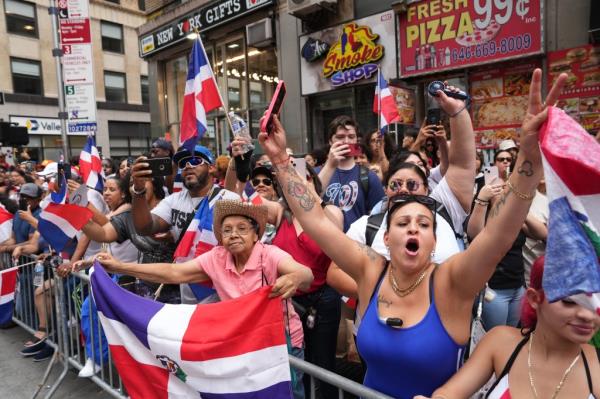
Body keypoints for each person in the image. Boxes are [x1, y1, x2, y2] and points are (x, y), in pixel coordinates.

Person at [258, 68, 567, 398]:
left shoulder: (453, 282)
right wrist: (279, 158)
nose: (413, 228)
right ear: (387, 238)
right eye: (403, 223)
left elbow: (498, 236)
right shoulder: (371, 270)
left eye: (423, 224)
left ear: (434, 241)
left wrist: (528, 161)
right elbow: (316, 221)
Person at [76, 200, 314, 399]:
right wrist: (119, 266)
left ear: (255, 234)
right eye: (227, 230)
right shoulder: (217, 257)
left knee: (287, 394)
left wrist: (294, 277)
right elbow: (173, 273)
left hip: (281, 343)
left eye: (242, 228)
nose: (234, 235)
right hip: (241, 344)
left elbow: (306, 274)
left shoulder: (269, 255)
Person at [417, 256, 600, 399]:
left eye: (596, 303)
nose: (587, 314)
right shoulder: (501, 343)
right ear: (535, 299)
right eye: (570, 301)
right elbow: (451, 393)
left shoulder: (596, 367)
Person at [130, 145, 239, 303]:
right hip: (188, 290)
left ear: (212, 168)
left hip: (224, 291)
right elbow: (145, 227)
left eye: (195, 161)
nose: (188, 166)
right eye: (183, 163)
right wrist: (139, 190)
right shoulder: (174, 200)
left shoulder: (229, 200)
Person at [79, 173, 178, 303]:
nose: (136, 187)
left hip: (178, 290)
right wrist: (78, 203)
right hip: (146, 291)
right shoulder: (128, 217)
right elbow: (102, 234)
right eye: (132, 184)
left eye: (142, 182)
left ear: (154, 184)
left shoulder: (171, 209)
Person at [317, 115, 385, 232]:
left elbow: (379, 218)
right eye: (340, 137)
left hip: (355, 245)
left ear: (356, 141)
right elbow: (308, 202)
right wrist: (330, 164)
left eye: (351, 137)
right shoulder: (317, 173)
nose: (346, 141)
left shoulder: (369, 177)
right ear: (330, 141)